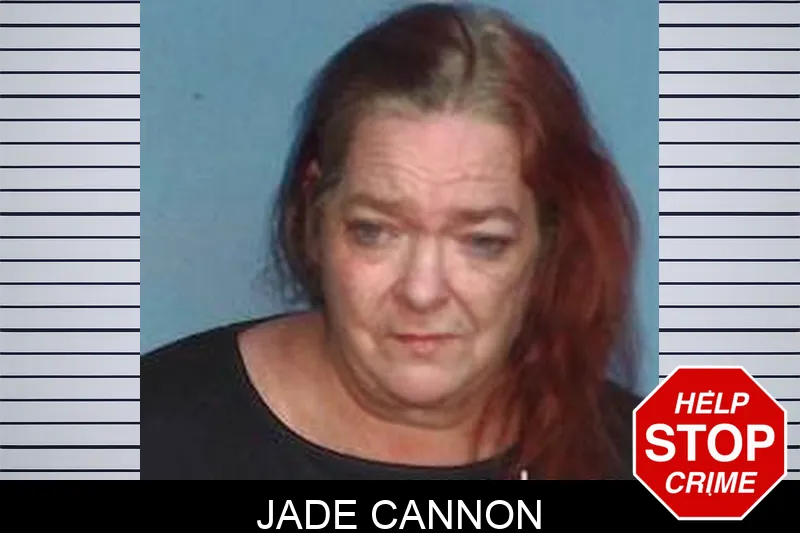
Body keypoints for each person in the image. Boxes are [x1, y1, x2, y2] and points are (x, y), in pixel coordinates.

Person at [141, 1, 643, 480]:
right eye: (375, 231)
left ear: (548, 243)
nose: (422, 292)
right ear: (315, 215)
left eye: (482, 241)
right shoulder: (149, 433)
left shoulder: (644, 454)